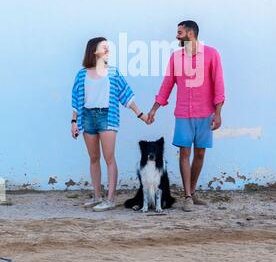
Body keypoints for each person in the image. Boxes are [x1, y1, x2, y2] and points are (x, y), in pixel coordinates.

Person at [147, 21, 225, 212]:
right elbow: (167, 84)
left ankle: (192, 190)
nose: (177, 36)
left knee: (200, 153)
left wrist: (218, 114)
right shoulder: (176, 58)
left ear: (190, 34)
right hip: (183, 113)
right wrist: (154, 108)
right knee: (184, 153)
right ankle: (187, 196)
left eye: (179, 32)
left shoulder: (212, 54)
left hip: (205, 114)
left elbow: (219, 85)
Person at [71, 37, 148, 212]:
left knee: (109, 158)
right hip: (88, 117)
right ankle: (97, 196)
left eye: (108, 47)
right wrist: (74, 121)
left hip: (107, 116)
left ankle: (110, 199)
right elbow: (76, 99)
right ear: (94, 50)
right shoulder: (82, 74)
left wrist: (141, 115)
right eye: (103, 47)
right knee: (93, 158)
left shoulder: (113, 72)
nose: (107, 49)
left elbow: (126, 96)